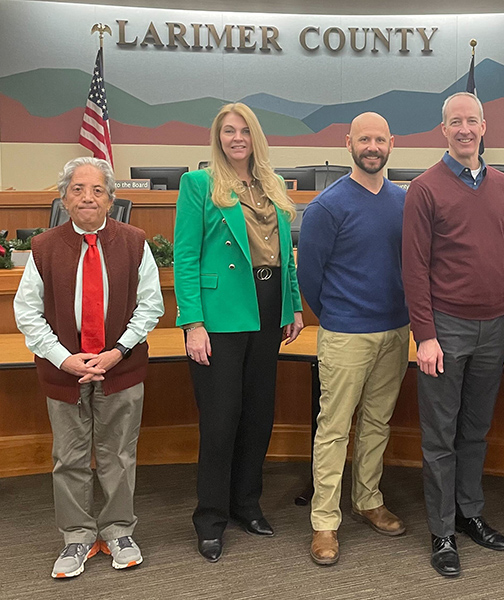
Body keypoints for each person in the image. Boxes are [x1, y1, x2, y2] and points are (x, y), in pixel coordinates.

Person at [14, 157, 164, 579]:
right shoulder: (43, 248)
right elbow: (27, 313)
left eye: (97, 190)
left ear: (111, 199)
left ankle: (118, 530)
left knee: (118, 454)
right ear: (64, 197)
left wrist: (116, 352)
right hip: (64, 370)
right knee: (70, 457)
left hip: (121, 366)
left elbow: (150, 305)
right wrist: (65, 358)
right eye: (78, 189)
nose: (88, 197)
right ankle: (77, 537)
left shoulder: (135, 242)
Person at [174, 102, 304, 563]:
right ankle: (210, 518)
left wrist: (293, 306)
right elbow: (185, 259)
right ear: (218, 137)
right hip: (221, 314)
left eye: (243, 131)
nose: (236, 138)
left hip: (269, 309)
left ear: (255, 137)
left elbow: (284, 254)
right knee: (221, 418)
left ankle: (246, 504)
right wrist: (192, 322)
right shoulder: (199, 185)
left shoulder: (271, 185)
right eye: (228, 131)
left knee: (258, 414)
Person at [402, 91, 504, 578]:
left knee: (476, 428)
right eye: (456, 122)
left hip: (495, 326)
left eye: (472, 121)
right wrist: (425, 335)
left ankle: (471, 513)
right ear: (443, 129)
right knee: (441, 435)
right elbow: (414, 267)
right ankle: (442, 529)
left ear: (484, 126)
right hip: (445, 328)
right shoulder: (424, 188)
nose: (465, 129)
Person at [297, 112, 410, 566]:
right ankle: (325, 522)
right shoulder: (327, 206)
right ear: (349, 143)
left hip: (396, 331)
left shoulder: (404, 202)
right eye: (364, 139)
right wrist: (339, 315)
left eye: (380, 139)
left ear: (391, 144)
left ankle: (368, 500)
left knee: (378, 423)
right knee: (334, 428)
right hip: (346, 333)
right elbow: (310, 277)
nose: (372, 146)